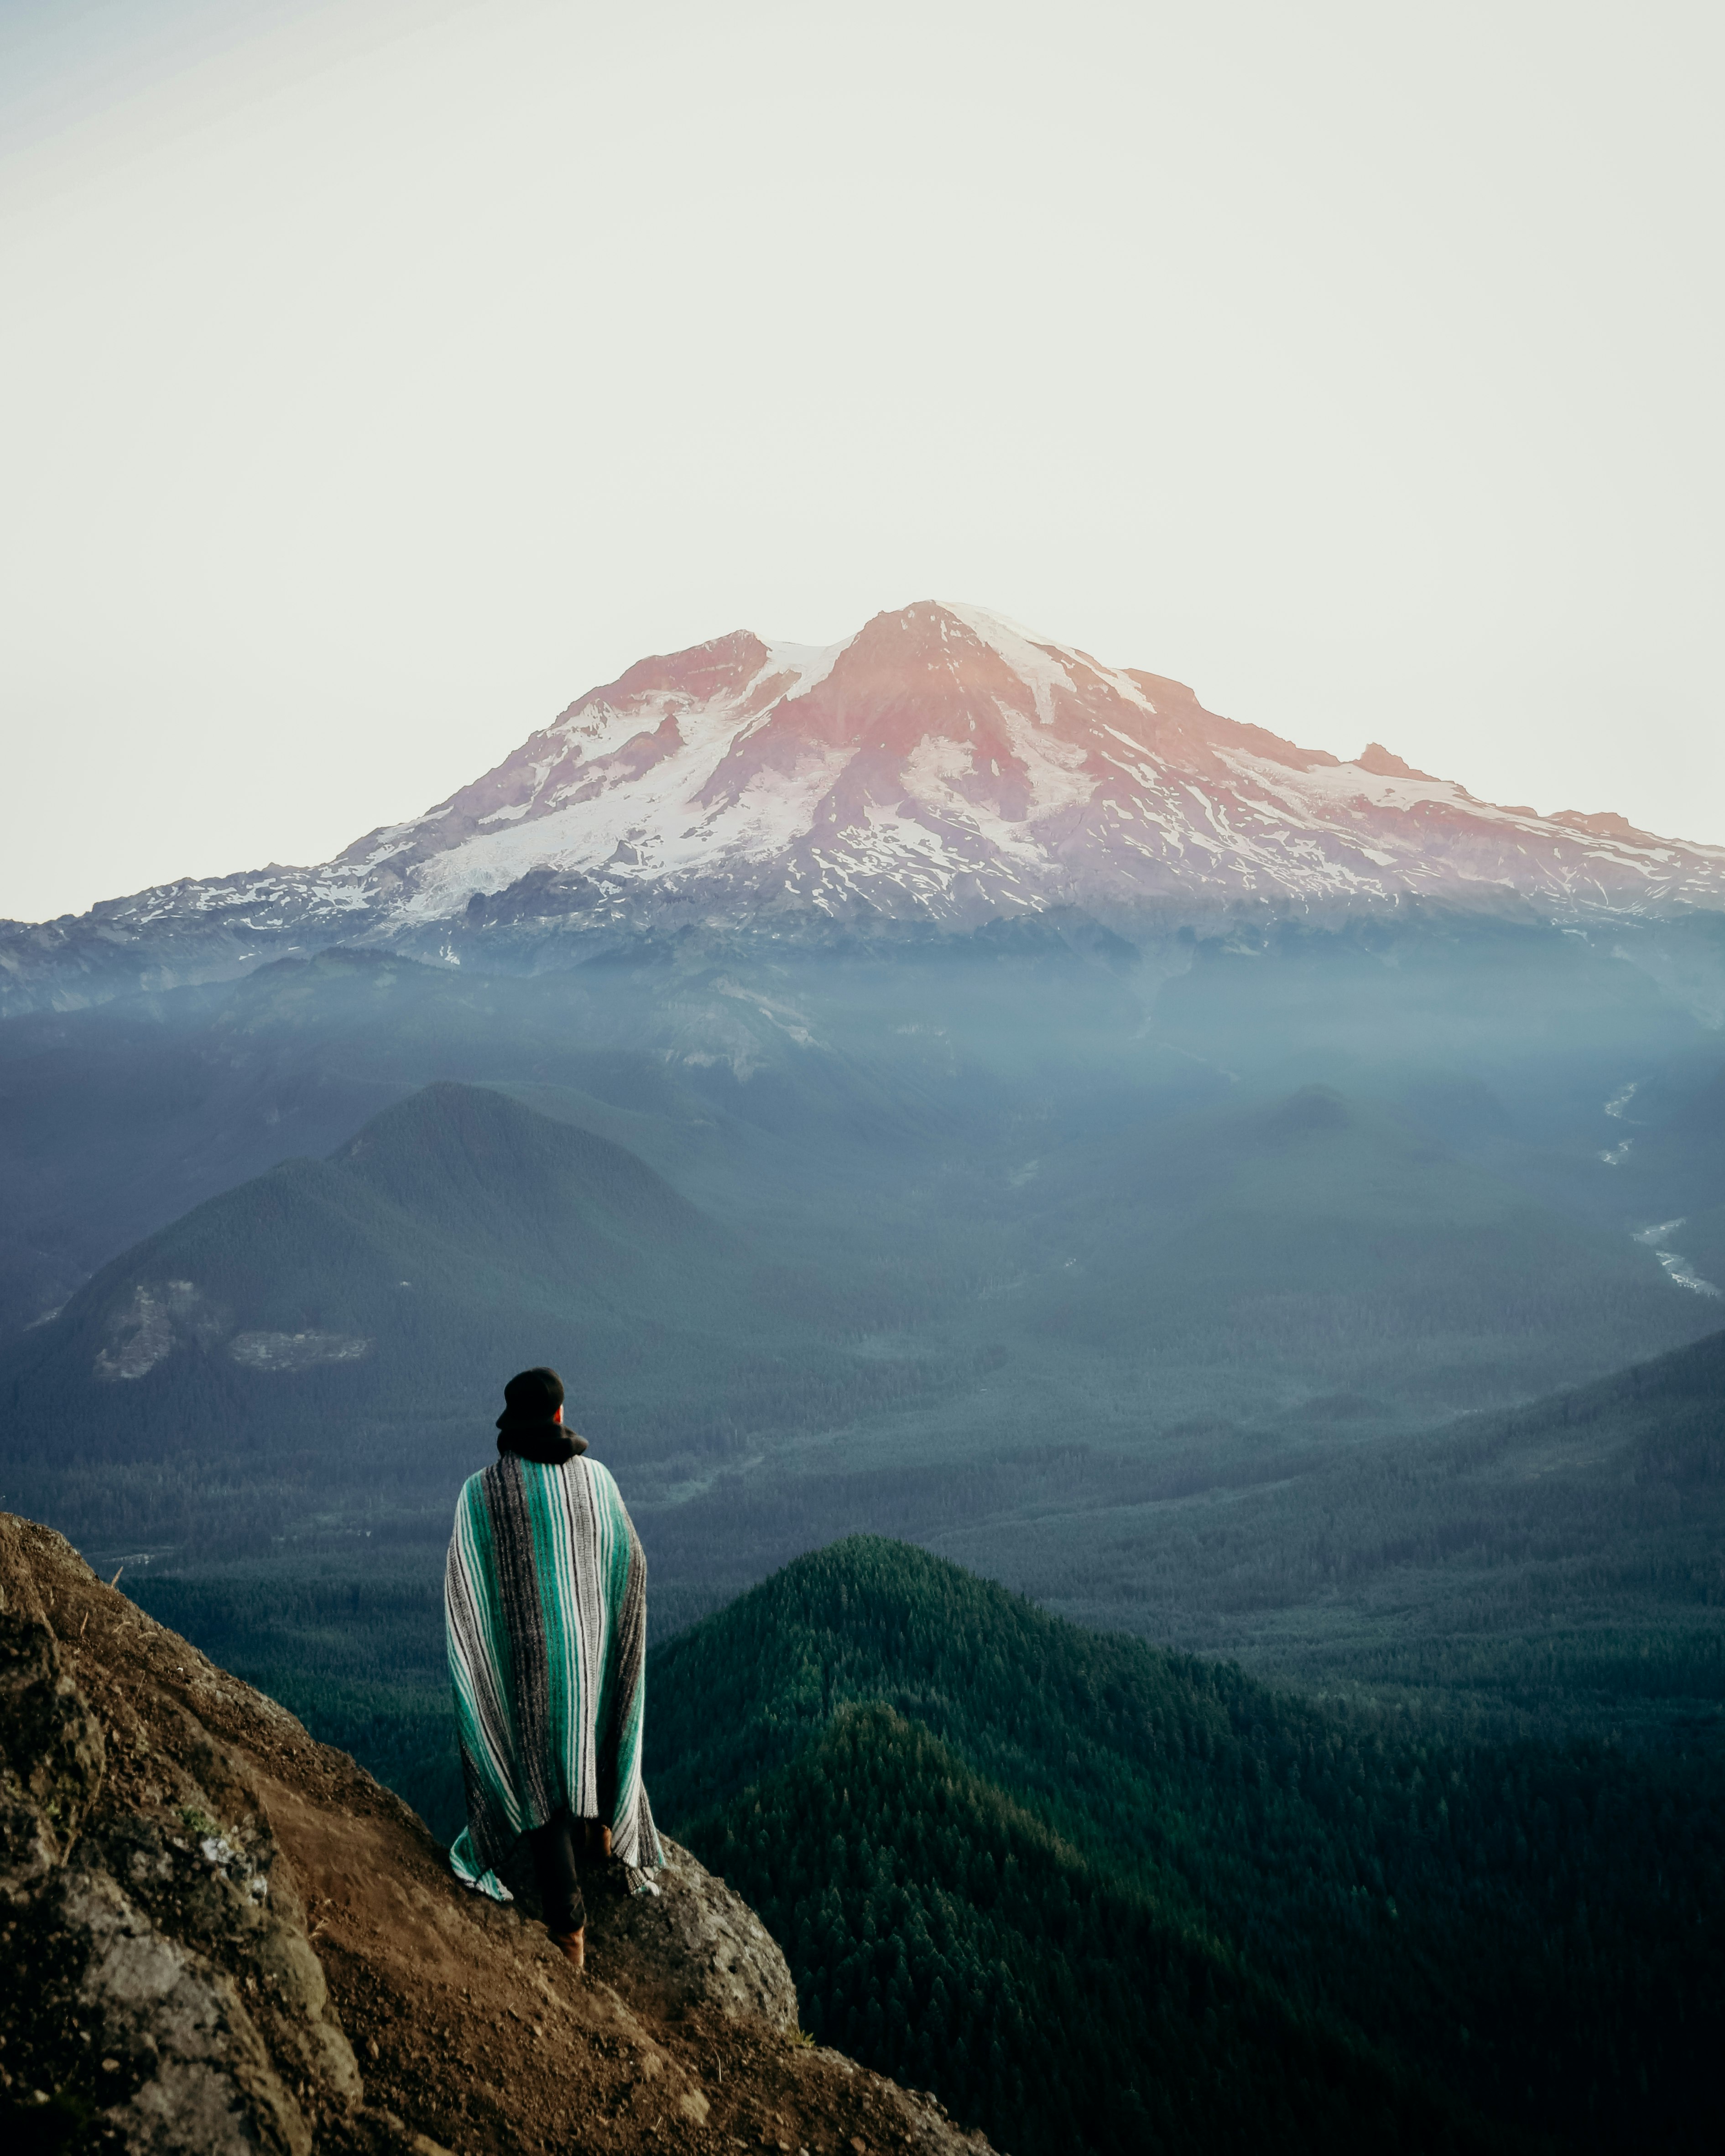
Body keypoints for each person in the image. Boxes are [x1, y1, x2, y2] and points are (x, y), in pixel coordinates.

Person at [443, 1365, 662, 1970]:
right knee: (591, 1728)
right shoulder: (597, 1479)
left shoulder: (480, 1492)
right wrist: (603, 1619)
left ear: (511, 1423)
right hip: (589, 1652)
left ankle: (570, 1934)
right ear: (561, 1416)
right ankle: (606, 1830)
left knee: (541, 1783)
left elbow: (466, 1594)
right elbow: (633, 1559)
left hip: (526, 1668)